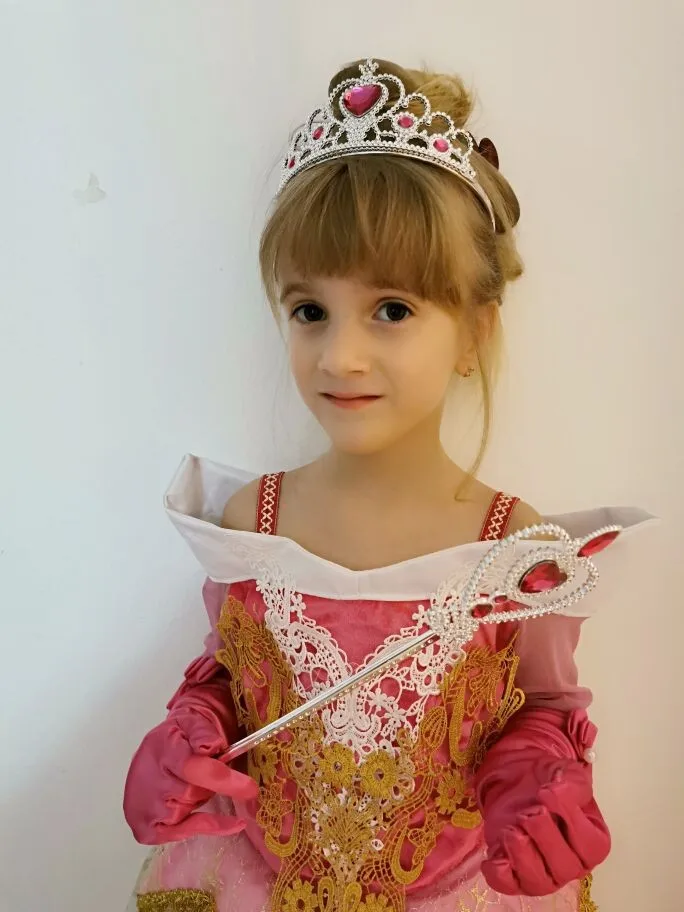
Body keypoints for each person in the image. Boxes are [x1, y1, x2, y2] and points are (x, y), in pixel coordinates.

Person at [123, 58, 653, 912]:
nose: (341, 356)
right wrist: (191, 736)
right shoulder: (248, 522)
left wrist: (535, 778)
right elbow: (233, 671)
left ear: (474, 332)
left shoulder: (517, 551)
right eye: (310, 311)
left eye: (393, 310)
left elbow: (543, 701)